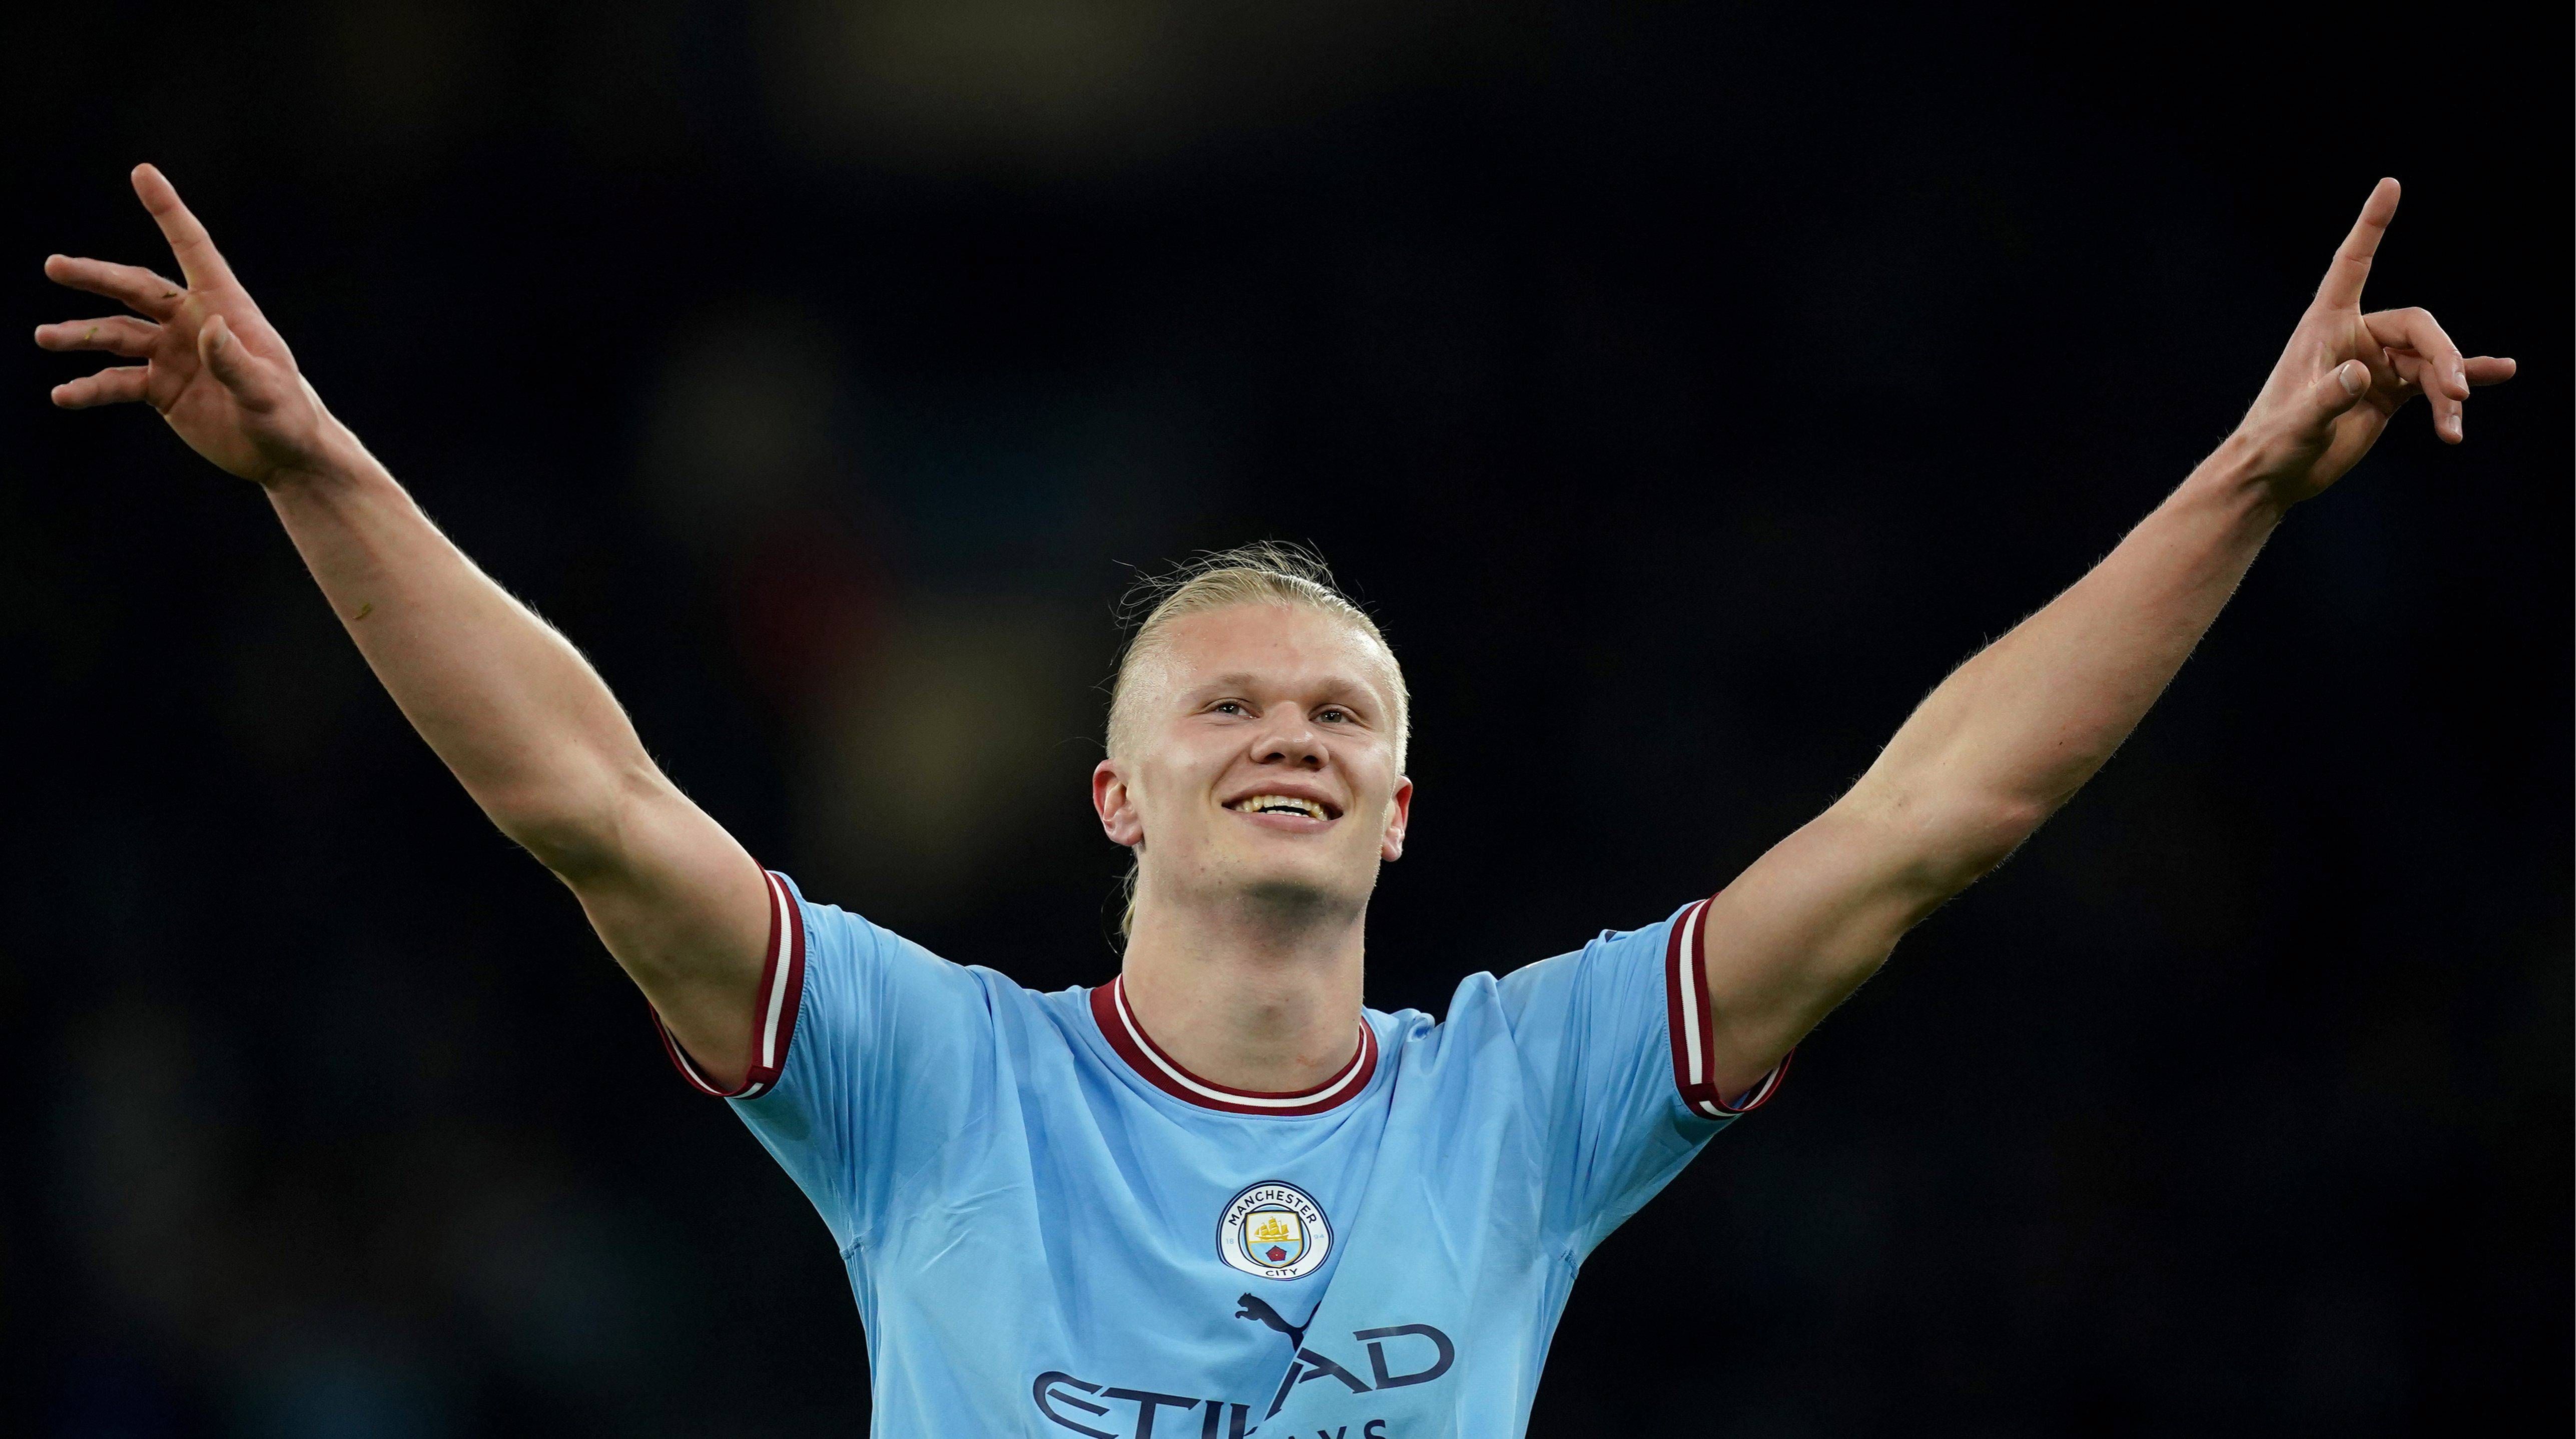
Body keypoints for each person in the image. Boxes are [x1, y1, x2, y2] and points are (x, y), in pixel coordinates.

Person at [39, 165, 2511, 1437]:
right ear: (1117, 789)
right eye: (1225, 702)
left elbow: (1931, 812)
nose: (1290, 729)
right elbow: (588, 795)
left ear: (1405, 805)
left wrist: (2243, 482)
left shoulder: (1527, 1096)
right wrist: (318, 462)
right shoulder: (934, 1081)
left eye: (1339, 707)